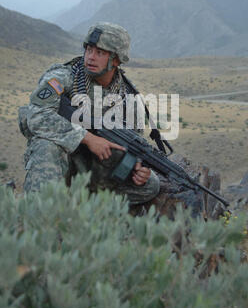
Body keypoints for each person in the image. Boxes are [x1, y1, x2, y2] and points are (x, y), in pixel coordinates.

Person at [18, 22, 161, 206]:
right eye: (89, 50)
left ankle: (86, 210)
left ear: (116, 60)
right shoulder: (64, 77)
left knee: (151, 185)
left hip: (97, 171)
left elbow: (131, 147)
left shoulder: (129, 99)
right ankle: (42, 212)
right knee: (46, 145)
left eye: (100, 53)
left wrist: (138, 168)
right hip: (62, 163)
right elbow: (36, 116)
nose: (91, 57)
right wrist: (87, 138)